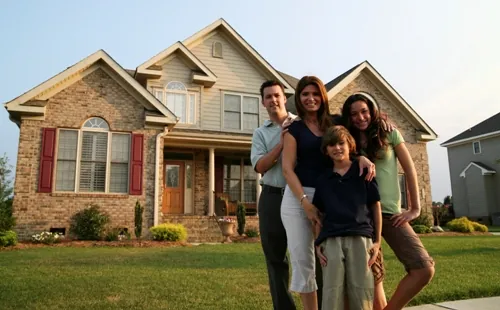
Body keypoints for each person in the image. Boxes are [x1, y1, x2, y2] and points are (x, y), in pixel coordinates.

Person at [280, 76, 376, 310]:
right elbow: (286, 168)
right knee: (305, 262)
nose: (311, 98)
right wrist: (305, 203)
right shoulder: (294, 129)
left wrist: (361, 156)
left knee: (333, 261)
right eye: (305, 94)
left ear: (323, 96)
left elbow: (354, 137)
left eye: (315, 94)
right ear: (299, 99)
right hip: (299, 197)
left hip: (332, 196)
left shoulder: (335, 122)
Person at [341, 93, 435, 310]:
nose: (360, 117)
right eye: (354, 113)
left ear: (372, 110)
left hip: (391, 213)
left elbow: (410, 169)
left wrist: (414, 208)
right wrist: (357, 157)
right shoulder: (347, 139)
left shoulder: (389, 132)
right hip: (361, 216)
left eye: (364, 111)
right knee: (374, 278)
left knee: (423, 268)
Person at [313, 125, 382, 310]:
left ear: (350, 144)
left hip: (360, 238)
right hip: (331, 240)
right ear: (326, 150)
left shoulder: (364, 172)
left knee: (362, 292)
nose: (337, 148)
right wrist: (317, 243)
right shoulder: (323, 180)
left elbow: (375, 206)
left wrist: (377, 241)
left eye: (341, 143)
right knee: (331, 293)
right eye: (332, 145)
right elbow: (319, 214)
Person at [251, 80, 297, 310]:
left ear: (284, 97)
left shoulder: (301, 124)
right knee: (276, 259)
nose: (273, 100)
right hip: (271, 198)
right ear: (263, 103)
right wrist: (280, 144)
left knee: (308, 255)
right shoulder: (260, 133)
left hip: (299, 197)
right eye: (268, 97)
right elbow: (260, 166)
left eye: (276, 95)